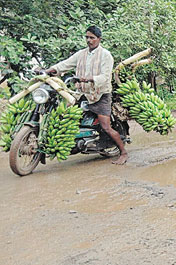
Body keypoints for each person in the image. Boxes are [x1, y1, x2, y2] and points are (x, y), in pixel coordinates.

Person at [46, 26, 127, 165]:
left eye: (92, 38)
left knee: (106, 126)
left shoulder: (106, 55)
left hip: (100, 94)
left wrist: (89, 79)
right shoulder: (81, 54)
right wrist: (51, 70)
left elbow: (105, 77)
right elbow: (66, 64)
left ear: (99, 39)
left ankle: (123, 152)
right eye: (87, 37)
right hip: (83, 93)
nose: (89, 40)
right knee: (66, 116)